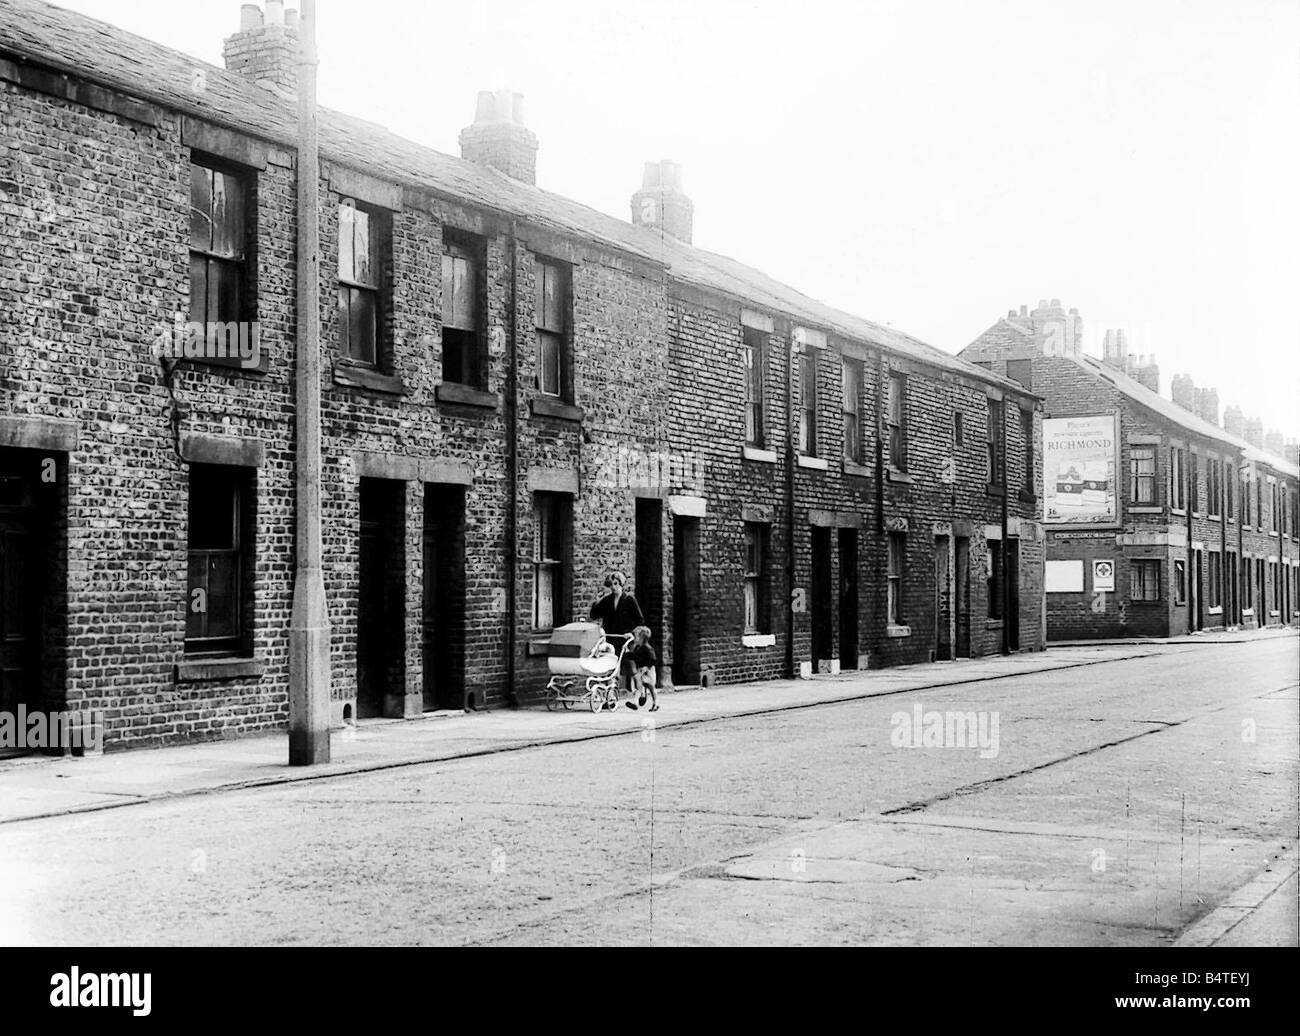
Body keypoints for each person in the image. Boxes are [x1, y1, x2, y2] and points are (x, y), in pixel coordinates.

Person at [589, 571, 644, 708]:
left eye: (616, 584)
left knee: (630, 668)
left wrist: (631, 633)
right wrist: (597, 601)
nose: (613, 587)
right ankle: (610, 696)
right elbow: (594, 615)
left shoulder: (629, 600)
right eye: (611, 585)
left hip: (624, 639)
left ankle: (640, 692)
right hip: (610, 639)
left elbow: (640, 620)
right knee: (610, 668)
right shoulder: (607, 601)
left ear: (621, 584)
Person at [622, 626, 659, 712]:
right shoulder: (638, 648)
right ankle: (635, 702)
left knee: (651, 687)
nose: (634, 638)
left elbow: (653, 660)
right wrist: (627, 652)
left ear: (642, 638)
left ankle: (655, 703)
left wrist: (647, 667)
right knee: (638, 687)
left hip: (648, 671)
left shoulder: (648, 648)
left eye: (636, 636)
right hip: (641, 670)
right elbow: (635, 657)